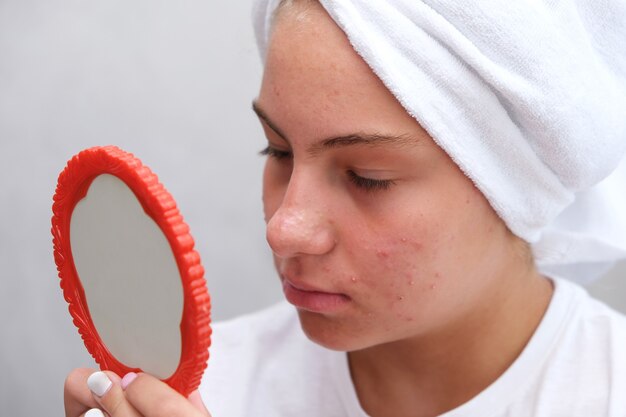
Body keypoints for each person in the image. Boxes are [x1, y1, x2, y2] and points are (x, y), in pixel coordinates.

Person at [64, 0, 626, 416]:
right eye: (277, 149)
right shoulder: (205, 395)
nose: (285, 229)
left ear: (517, 192)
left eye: (367, 177)